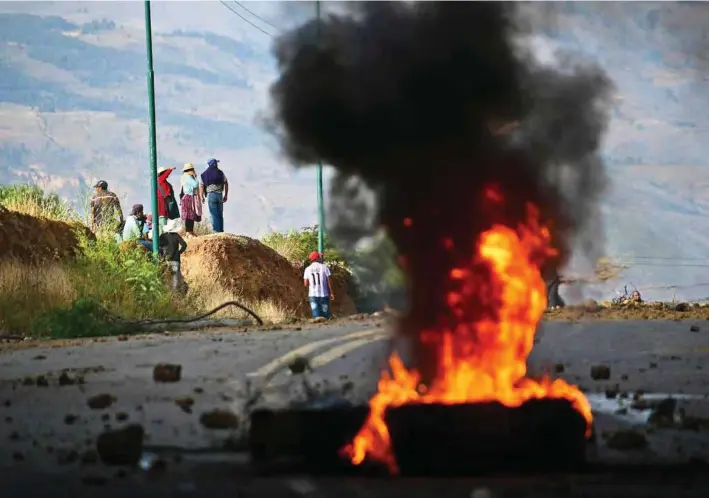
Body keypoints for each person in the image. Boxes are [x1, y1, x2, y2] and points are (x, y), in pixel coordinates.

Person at [303, 251, 335, 320]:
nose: (320, 258)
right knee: (325, 316)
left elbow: (305, 284)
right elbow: (329, 282)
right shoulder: (324, 267)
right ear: (317, 258)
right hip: (324, 295)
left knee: (316, 317)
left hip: (313, 296)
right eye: (319, 257)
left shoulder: (307, 269)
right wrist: (332, 293)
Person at [199, 158, 228, 233]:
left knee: (213, 214)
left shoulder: (204, 174)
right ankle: (221, 230)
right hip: (219, 195)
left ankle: (216, 231)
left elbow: (201, 186)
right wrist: (226, 195)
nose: (217, 164)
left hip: (211, 195)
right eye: (217, 163)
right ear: (215, 164)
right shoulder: (220, 173)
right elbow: (226, 182)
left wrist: (201, 196)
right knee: (220, 213)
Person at [158, 218, 188, 292]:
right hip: (175, 259)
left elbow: (159, 247)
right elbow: (184, 245)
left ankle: (166, 294)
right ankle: (175, 295)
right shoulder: (176, 236)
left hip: (165, 260)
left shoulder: (162, 236)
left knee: (165, 278)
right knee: (175, 279)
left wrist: (161, 256)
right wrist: (179, 252)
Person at [179, 163, 202, 237]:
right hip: (189, 197)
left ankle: (190, 231)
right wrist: (195, 177)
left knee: (189, 215)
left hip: (186, 197)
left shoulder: (184, 177)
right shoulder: (188, 177)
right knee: (189, 215)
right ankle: (189, 232)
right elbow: (195, 184)